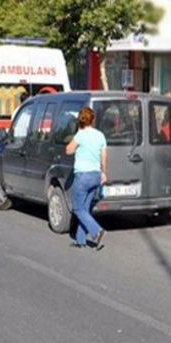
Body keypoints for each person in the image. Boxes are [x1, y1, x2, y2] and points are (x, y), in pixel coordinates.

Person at [65, 107, 107, 250]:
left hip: (83, 176)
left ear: (80, 120)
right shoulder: (100, 135)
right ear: (93, 120)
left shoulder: (80, 135)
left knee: (77, 208)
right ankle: (80, 240)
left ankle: (97, 230)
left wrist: (76, 134)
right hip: (95, 175)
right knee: (85, 209)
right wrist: (103, 172)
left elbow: (68, 150)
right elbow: (104, 156)